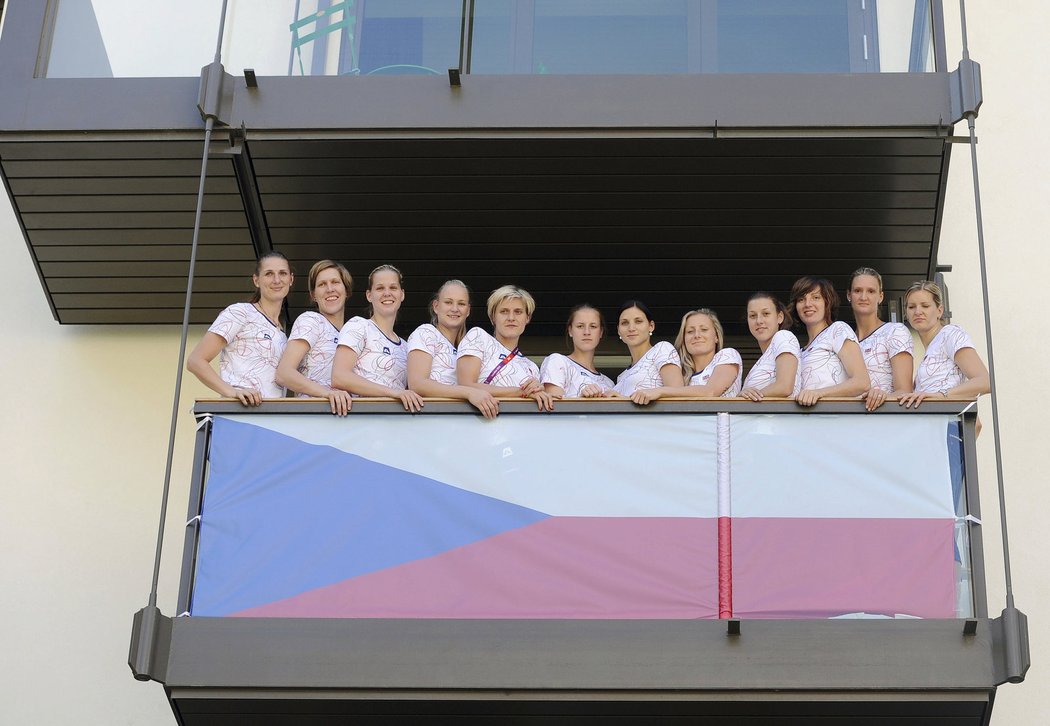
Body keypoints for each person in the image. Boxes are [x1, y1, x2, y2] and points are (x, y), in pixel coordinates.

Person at [186, 251, 292, 406]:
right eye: (269, 274)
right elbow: (195, 361)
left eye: (282, 273)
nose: (277, 280)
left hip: (270, 419)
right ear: (256, 280)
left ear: (291, 279)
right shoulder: (240, 312)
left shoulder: (282, 334)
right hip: (240, 414)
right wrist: (231, 392)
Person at [331, 264, 423, 412]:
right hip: (361, 421)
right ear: (369, 295)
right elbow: (339, 376)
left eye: (393, 288)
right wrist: (394, 393)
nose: (387, 293)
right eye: (380, 288)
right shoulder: (359, 326)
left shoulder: (407, 347)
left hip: (396, 423)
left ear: (402, 294)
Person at [406, 280, 499, 418]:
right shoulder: (426, 332)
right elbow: (417, 383)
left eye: (461, 304)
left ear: (468, 310)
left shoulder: (466, 348)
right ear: (436, 306)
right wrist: (468, 392)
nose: (455, 309)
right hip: (429, 419)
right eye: (448, 302)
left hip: (460, 421)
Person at [274, 260, 355, 416]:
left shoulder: (352, 334)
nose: (330, 289)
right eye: (322, 284)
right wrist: (327, 393)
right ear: (313, 295)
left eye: (335, 282)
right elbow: (284, 373)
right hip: (315, 419)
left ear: (347, 290)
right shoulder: (311, 320)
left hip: (347, 423)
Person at [456, 285, 554, 411]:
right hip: (477, 422)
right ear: (492, 317)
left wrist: (537, 390)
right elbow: (465, 385)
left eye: (518, 312)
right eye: (504, 311)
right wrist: (521, 392)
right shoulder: (478, 337)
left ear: (527, 318)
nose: (511, 318)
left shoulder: (532, 368)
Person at [898, 280, 990, 408]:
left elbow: (985, 381)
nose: (918, 311)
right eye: (912, 307)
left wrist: (941, 396)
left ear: (939, 310)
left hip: (947, 421)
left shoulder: (950, 334)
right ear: (906, 313)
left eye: (925, 306)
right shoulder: (930, 350)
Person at [629, 308, 741, 404]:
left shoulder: (728, 354)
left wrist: (660, 391)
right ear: (684, 339)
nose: (697, 335)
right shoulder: (682, 377)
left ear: (716, 336)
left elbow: (710, 392)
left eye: (704, 330)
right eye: (690, 331)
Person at [791, 276, 869, 407]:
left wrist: (818, 393)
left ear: (828, 302)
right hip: (807, 422)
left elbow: (862, 382)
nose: (807, 304)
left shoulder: (837, 330)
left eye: (816, 298)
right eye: (801, 299)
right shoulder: (799, 352)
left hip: (835, 420)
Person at [848, 266, 914, 411]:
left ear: (881, 297)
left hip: (883, 421)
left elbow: (905, 391)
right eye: (857, 290)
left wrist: (881, 396)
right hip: (848, 421)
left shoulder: (894, 331)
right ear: (849, 295)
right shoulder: (845, 340)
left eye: (871, 291)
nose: (863, 297)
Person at [540, 304, 616, 398]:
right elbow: (553, 407)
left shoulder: (609, 383)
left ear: (600, 332)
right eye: (580, 326)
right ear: (570, 330)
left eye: (593, 326)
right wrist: (581, 400)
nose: (587, 332)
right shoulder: (558, 361)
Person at [613, 300, 683, 397]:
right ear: (618, 330)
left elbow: (678, 395)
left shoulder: (661, 349)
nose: (631, 328)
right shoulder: (622, 377)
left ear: (651, 326)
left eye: (638, 321)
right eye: (625, 323)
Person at [740, 292, 801, 401]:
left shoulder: (783, 336)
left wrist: (746, 399)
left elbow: (785, 387)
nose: (759, 321)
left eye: (766, 314)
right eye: (753, 316)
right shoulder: (761, 361)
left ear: (779, 317)